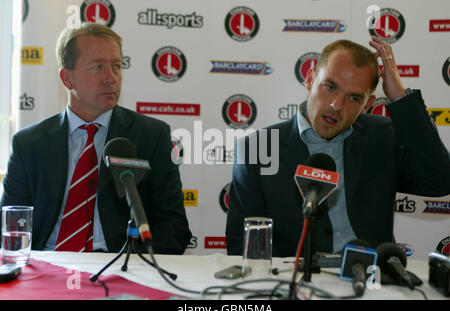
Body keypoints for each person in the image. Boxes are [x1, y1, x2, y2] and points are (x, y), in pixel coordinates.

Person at [226, 37, 450, 257]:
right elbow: (243, 247)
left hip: (370, 281)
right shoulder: (258, 147)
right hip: (295, 282)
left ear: (367, 105)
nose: (336, 105)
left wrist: (401, 98)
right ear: (310, 78)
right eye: (330, 87)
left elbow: (439, 181)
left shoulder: (383, 136)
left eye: (353, 98)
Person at [0, 22, 192, 254]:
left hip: (121, 264)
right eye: (98, 67)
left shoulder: (151, 136)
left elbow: (175, 227)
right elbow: (9, 227)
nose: (111, 77)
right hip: (49, 265)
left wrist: (132, 265)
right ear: (67, 79)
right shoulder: (29, 144)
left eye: (117, 66)